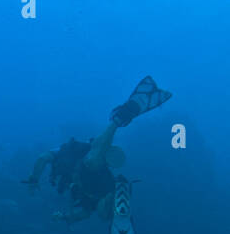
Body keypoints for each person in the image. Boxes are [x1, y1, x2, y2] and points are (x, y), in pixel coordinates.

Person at [25, 76, 171, 224]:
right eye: (106, 211)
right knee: (93, 160)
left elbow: (42, 159)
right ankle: (118, 120)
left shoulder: (92, 201)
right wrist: (34, 180)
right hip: (86, 162)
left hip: (90, 167)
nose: (103, 213)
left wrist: (34, 181)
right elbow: (43, 158)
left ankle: (119, 119)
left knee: (93, 160)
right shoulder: (67, 155)